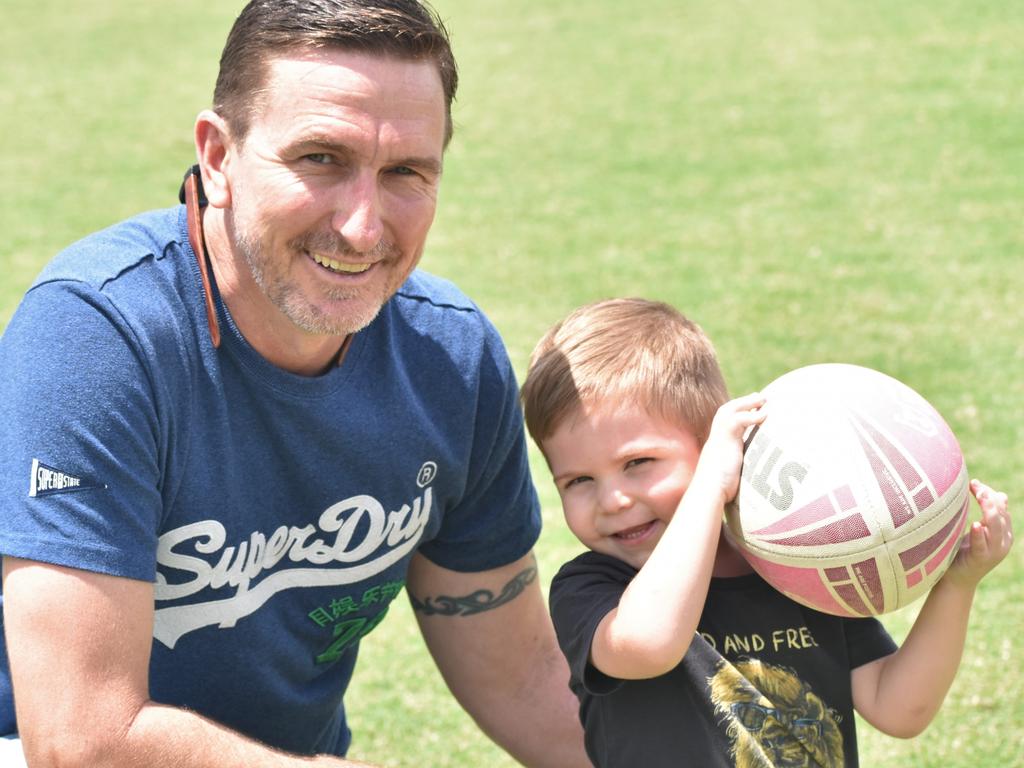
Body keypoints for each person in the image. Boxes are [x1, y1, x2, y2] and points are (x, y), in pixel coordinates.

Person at [0, 2, 590, 766]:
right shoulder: (96, 338)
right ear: (218, 157)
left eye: (405, 171)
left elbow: (522, 679)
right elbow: (81, 740)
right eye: (321, 159)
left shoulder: (449, 359)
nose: (363, 228)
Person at [519, 297, 1013, 768]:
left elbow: (899, 708)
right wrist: (709, 488)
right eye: (578, 480)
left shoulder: (800, 567)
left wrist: (956, 584)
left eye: (638, 463)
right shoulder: (591, 590)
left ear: (715, 445)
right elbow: (651, 644)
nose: (613, 500)